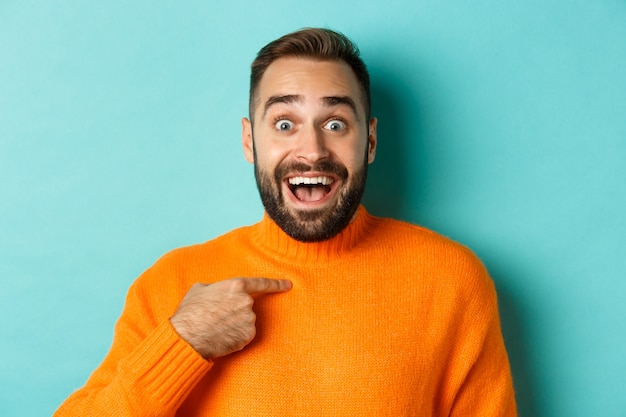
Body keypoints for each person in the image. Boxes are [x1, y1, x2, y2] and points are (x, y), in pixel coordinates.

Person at [54, 28, 517, 416]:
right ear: (249, 141)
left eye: (335, 123)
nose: (312, 150)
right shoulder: (170, 287)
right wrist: (182, 344)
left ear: (370, 142)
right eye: (283, 124)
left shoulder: (451, 281)